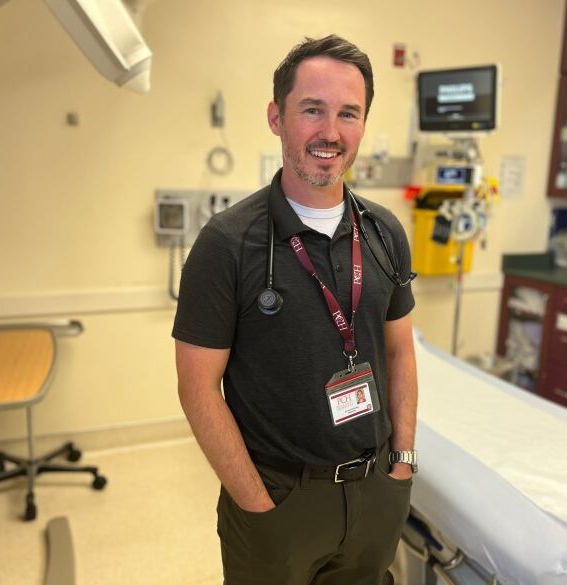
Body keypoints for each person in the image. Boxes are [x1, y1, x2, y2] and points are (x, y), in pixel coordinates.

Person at [173, 34, 419, 585]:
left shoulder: (384, 233)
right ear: (276, 117)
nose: (330, 132)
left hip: (375, 490)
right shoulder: (228, 244)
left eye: (348, 114)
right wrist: (257, 504)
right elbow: (196, 388)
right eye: (312, 110)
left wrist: (401, 465)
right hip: (277, 500)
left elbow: (400, 352)